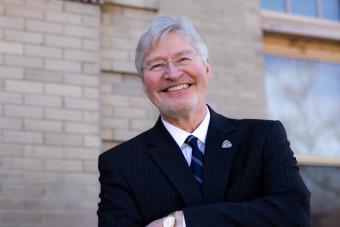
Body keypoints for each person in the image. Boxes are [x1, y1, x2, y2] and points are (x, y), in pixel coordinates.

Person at [97, 14, 310, 227]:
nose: (172, 73)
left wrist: (181, 222)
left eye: (183, 59)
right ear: (144, 84)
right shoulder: (120, 164)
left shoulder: (263, 138)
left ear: (207, 68)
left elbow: (294, 213)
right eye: (156, 65)